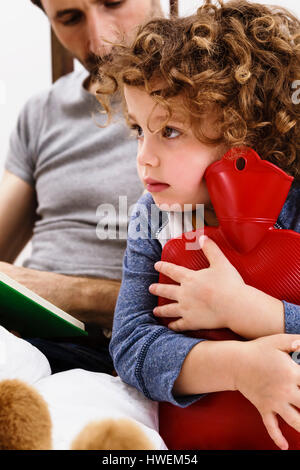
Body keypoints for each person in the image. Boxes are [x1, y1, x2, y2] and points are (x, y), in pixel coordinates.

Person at [96, 0, 300, 450]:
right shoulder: (153, 217)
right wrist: (238, 365)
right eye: (137, 130)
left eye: (169, 131)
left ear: (247, 130)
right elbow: (131, 345)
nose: (143, 157)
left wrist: (248, 311)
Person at [0, 0, 163, 373]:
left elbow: (216, 300)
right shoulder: (42, 111)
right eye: (70, 18)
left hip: (112, 349)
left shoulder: (215, 98)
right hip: (20, 340)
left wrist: (70, 294)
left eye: (114, 2)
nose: (101, 42)